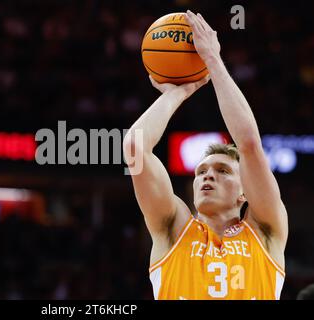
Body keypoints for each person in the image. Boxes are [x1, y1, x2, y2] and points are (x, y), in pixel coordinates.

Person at [123, 10, 288, 300]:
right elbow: (135, 148)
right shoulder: (172, 228)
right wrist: (177, 93)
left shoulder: (265, 230)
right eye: (201, 172)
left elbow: (248, 142)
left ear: (244, 193)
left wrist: (212, 59)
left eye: (223, 171)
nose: (208, 175)